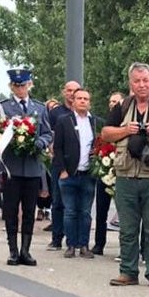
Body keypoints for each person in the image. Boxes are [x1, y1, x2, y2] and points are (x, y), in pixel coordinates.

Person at [100, 62, 149, 287]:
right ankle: (128, 271)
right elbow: (106, 133)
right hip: (126, 175)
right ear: (130, 83)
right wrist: (126, 130)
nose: (142, 85)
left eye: (145, 80)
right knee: (127, 228)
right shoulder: (122, 106)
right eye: (137, 81)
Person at [0, 69, 54, 265]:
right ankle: (13, 250)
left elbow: (48, 133)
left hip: (31, 166)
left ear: (29, 84)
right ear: (11, 86)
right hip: (12, 166)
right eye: (16, 85)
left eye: (23, 85)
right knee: (11, 209)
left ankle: (25, 250)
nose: (20, 89)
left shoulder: (39, 107)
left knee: (30, 210)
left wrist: (40, 142)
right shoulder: (4, 107)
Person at [53, 87, 101, 257]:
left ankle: (84, 245)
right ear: (72, 101)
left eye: (85, 99)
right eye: (79, 98)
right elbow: (57, 148)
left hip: (88, 174)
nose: (82, 101)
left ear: (89, 102)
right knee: (70, 211)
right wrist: (63, 170)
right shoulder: (64, 121)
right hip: (69, 174)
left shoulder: (94, 122)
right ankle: (71, 245)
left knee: (86, 213)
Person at [47, 81, 80, 248]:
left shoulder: (83, 113)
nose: (72, 94)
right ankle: (56, 238)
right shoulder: (56, 113)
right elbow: (48, 134)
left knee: (76, 205)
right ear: (63, 92)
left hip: (79, 165)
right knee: (58, 202)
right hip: (59, 163)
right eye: (69, 90)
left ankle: (74, 240)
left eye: (75, 91)